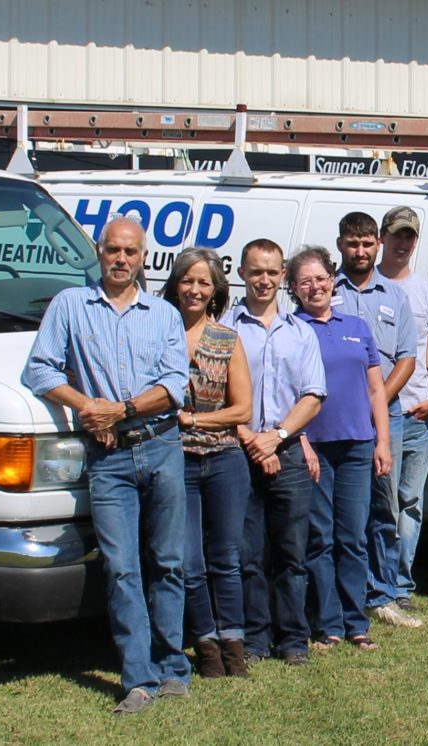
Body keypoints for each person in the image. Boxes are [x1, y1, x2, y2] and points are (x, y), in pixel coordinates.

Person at [21, 216, 191, 715]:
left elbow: (174, 385)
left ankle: (173, 667)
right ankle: (138, 678)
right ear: (99, 252)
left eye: (131, 252)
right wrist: (85, 404)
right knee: (120, 569)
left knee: (168, 563)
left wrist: (122, 409)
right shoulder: (70, 306)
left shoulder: (163, 315)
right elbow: (39, 368)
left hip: (160, 446)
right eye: (113, 250)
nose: (122, 259)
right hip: (109, 457)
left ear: (144, 257)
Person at [225, 239, 327, 668]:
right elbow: (212, 396)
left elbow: (313, 395)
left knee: (291, 552)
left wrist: (278, 435)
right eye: (255, 271)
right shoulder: (224, 328)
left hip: (285, 452)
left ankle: (293, 640)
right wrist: (252, 439)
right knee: (248, 553)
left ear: (282, 275)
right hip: (237, 450)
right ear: (243, 274)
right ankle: (255, 638)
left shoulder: (300, 331)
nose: (264, 280)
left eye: (271, 272)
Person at [291, 246, 394, 651]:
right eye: (305, 281)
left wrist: (382, 440)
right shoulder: (291, 329)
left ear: (332, 279)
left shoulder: (357, 326)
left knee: (353, 536)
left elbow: (375, 389)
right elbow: (285, 392)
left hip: (357, 445)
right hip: (314, 446)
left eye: (320, 278)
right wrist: (301, 442)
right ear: (294, 289)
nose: (314, 287)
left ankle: (357, 621)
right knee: (320, 538)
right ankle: (329, 623)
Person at [329, 212, 424, 631]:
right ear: (340, 245)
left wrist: (377, 401)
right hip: (332, 421)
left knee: (384, 508)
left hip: (386, 419)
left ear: (378, 245)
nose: (361, 251)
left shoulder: (394, 296)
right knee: (336, 512)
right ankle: (336, 597)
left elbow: (407, 357)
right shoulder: (324, 290)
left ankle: (383, 596)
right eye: (353, 244)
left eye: (368, 243)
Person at [163, 248, 254, 678]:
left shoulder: (227, 339)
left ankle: (234, 647)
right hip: (175, 462)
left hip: (224, 461)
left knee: (226, 559)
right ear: (175, 285)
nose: (194, 289)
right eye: (187, 280)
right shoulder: (157, 334)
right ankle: (207, 648)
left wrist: (193, 418)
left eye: (203, 282)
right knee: (188, 562)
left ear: (216, 289)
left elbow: (243, 410)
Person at [374, 206, 428, 621]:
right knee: (379, 504)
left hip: (415, 416)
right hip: (370, 417)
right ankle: (376, 582)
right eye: (396, 236)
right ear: (382, 239)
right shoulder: (357, 287)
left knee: (410, 503)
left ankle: (401, 584)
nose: (402, 243)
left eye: (409, 237)